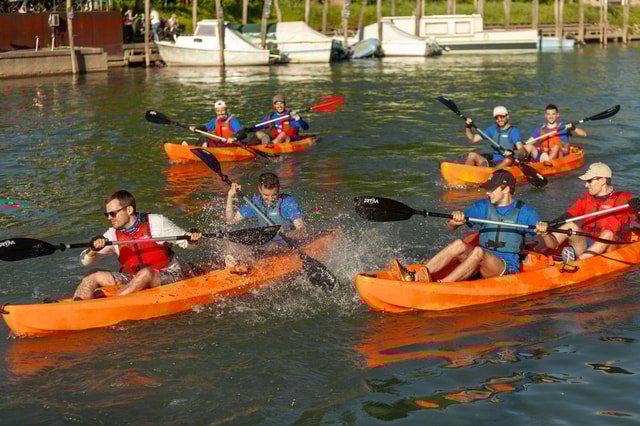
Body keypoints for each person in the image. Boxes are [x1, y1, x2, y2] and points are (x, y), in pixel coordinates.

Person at [391, 170, 557, 283]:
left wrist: (544, 233)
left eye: (491, 189)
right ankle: (414, 276)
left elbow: (553, 245)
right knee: (458, 244)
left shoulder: (525, 212)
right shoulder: (482, 206)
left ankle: (443, 284)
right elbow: (451, 228)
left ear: (506, 189)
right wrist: (454, 222)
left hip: (506, 266)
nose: (487, 192)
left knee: (478, 251)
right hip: (480, 263)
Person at [73, 190, 201, 300]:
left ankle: (113, 303)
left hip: (168, 275)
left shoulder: (157, 222)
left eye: (112, 214)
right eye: (107, 214)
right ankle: (77, 307)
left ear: (129, 210)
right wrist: (93, 250)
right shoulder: (112, 234)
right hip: (134, 279)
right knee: (92, 275)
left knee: (146, 273)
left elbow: (188, 244)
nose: (109, 218)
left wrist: (192, 239)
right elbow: (84, 261)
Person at [550, 162, 633, 261]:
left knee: (607, 233)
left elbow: (636, 217)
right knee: (570, 225)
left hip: (611, 247)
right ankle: (542, 251)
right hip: (588, 244)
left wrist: (637, 207)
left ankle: (578, 261)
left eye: (589, 181)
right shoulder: (586, 199)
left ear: (603, 180)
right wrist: (549, 226)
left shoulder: (622, 200)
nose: (586, 185)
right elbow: (567, 216)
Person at [225, 172, 306, 246]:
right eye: (266, 195)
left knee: (274, 246)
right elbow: (231, 221)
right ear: (259, 189)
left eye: (274, 195)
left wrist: (285, 233)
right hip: (267, 247)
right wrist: (230, 196)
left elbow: (302, 232)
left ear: (278, 188)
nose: (270, 199)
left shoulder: (288, 203)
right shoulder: (255, 203)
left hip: (287, 245)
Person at [523, 104, 587, 162]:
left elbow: (584, 134)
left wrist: (574, 128)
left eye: (553, 114)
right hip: (544, 157)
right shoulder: (539, 130)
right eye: (548, 114)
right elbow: (528, 142)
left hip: (560, 157)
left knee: (556, 147)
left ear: (557, 115)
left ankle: (547, 164)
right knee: (528, 146)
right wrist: (521, 146)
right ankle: (518, 161)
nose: (551, 116)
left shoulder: (564, 128)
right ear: (545, 115)